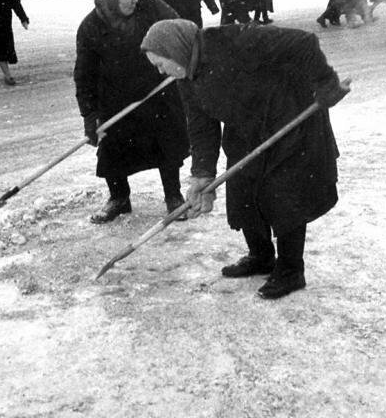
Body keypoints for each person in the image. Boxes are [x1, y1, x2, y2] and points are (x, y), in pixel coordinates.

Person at [141, 19, 349, 299]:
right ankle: (261, 256)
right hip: (247, 126)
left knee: (283, 195)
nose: (160, 70)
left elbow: (304, 42)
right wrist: (203, 174)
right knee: (243, 191)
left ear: (175, 49)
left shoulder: (237, 41)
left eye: (160, 62)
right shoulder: (186, 78)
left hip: (289, 116)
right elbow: (201, 125)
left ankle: (291, 271)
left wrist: (325, 83)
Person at [74, 0, 189, 223]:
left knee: (166, 143)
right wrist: (90, 116)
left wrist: (178, 57)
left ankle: (173, 195)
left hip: (157, 89)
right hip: (116, 98)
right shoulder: (90, 28)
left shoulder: (148, 6)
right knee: (113, 149)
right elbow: (84, 76)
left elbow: (177, 26)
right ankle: (119, 198)